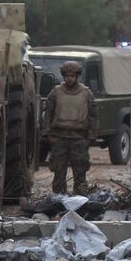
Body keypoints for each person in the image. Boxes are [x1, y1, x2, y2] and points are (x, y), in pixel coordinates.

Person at [43, 61, 98, 195]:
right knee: (58, 172)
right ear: (63, 76)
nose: (69, 78)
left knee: (80, 171)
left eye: (72, 75)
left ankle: (80, 198)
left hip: (79, 137)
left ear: (77, 76)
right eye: (67, 75)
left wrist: (91, 136)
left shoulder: (86, 93)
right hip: (59, 137)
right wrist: (48, 133)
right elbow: (48, 114)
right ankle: (59, 198)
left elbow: (93, 116)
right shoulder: (55, 92)